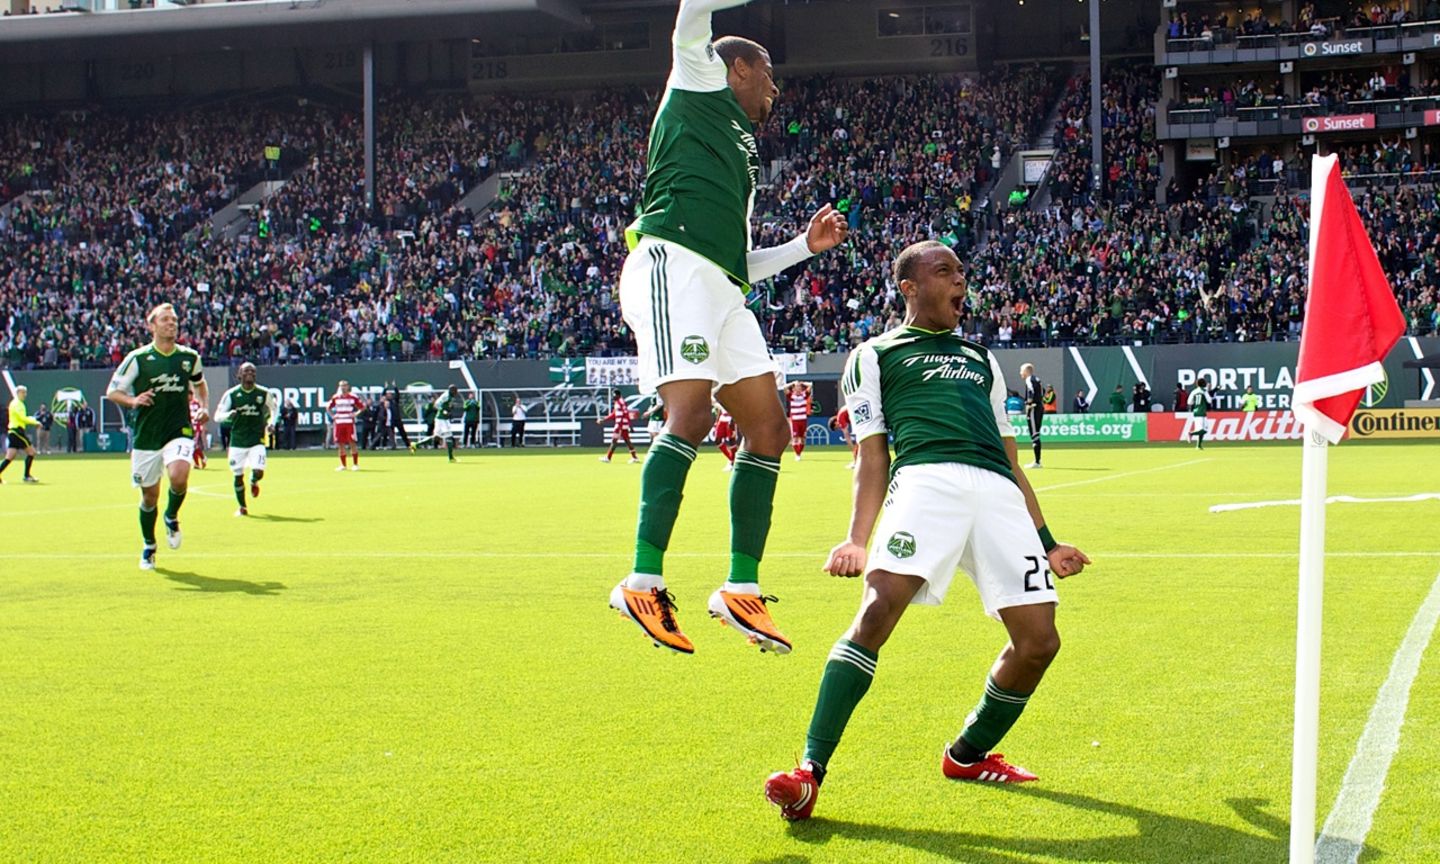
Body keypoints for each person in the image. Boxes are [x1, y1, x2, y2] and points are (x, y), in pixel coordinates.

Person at [763, 240, 1090, 821]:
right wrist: (857, 538)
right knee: (877, 609)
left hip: (997, 493)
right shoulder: (875, 353)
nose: (960, 281)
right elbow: (872, 453)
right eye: (945, 272)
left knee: (1040, 641)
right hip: (925, 482)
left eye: (962, 272)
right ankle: (809, 772)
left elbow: (1012, 459)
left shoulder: (982, 358)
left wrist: (1048, 542)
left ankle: (967, 754)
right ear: (909, 287)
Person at [609, 0, 848, 656]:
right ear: (736, 67)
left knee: (768, 429)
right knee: (686, 414)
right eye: (767, 72)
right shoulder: (696, 78)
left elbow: (741, 261)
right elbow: (691, 16)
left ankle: (740, 588)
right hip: (673, 266)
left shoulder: (741, 153)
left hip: (722, 285)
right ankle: (641, 580)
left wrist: (804, 245)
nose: (775, 87)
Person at [105, 303, 209, 570]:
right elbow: (113, 392)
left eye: (174, 320)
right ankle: (149, 545)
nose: (171, 324)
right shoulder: (138, 358)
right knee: (149, 496)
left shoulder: (188, 357)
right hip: (146, 435)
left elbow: (199, 384)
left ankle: (172, 516)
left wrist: (203, 407)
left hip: (178, 430)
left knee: (179, 475)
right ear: (151, 325)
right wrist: (134, 400)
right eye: (165, 320)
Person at [214, 362, 278, 517]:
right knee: (237, 475)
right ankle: (242, 507)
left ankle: (254, 480)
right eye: (246, 371)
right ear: (239, 375)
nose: (250, 373)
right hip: (237, 441)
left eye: (253, 371)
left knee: (259, 470)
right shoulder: (232, 394)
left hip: (257, 439)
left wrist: (271, 423)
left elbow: (274, 408)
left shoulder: (263, 393)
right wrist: (228, 415)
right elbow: (217, 416)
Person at [1, 385, 42, 484]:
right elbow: (22, 418)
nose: (25, 395)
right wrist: (35, 422)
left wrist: (32, 419)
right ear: (18, 393)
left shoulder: (16, 403)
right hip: (17, 431)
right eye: (23, 392)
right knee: (31, 452)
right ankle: (26, 476)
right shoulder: (17, 404)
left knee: (10, 457)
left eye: (25, 392)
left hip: (13, 432)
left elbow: (22, 417)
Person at [411, 385, 461, 462]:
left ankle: (415, 444)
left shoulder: (450, 396)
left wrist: (449, 408)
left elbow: (446, 405)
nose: (456, 392)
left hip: (440, 419)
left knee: (436, 437)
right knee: (449, 437)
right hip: (442, 419)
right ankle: (451, 458)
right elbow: (437, 404)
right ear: (451, 390)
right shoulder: (446, 395)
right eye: (455, 390)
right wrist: (444, 411)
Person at [327, 380, 366, 471]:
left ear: (348, 387)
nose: (343, 387)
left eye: (344, 386)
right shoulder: (336, 397)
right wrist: (333, 416)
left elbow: (362, 407)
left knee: (352, 442)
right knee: (340, 443)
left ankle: (355, 464)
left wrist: (355, 414)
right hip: (339, 423)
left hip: (349, 422)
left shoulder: (353, 397)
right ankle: (343, 465)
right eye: (341, 386)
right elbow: (328, 407)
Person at [597, 391, 640, 464]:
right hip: (622, 424)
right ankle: (634, 457)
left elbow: (626, 414)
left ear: (618, 395)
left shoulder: (621, 402)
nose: (613, 397)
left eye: (614, 395)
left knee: (614, 441)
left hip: (620, 424)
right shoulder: (617, 403)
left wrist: (629, 425)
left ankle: (608, 458)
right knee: (627, 441)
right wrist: (604, 419)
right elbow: (614, 414)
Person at [1019, 362, 1044, 469]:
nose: (1020, 373)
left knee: (1034, 434)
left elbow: (1031, 392)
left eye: (1021, 371)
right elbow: (1041, 392)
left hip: (1034, 408)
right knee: (1036, 433)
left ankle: (1037, 462)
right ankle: (1037, 461)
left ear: (1025, 371)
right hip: (1039, 407)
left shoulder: (1029, 380)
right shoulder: (1037, 379)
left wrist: (1029, 404)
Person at [785, 381, 814, 461]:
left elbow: (811, 385)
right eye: (796, 387)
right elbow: (784, 388)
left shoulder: (804, 395)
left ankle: (799, 453)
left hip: (803, 419)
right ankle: (797, 454)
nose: (798, 388)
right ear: (793, 388)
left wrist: (802, 383)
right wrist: (792, 383)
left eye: (799, 387)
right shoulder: (791, 396)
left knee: (802, 438)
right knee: (795, 438)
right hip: (795, 420)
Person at [382, 382, 414, 450]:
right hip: (391, 420)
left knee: (403, 433)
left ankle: (408, 445)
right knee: (391, 434)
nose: (389, 395)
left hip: (398, 419)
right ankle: (391, 446)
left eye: (390, 394)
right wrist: (385, 388)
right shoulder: (386, 402)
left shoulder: (394, 401)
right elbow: (382, 395)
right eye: (388, 394)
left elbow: (397, 394)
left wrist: (395, 387)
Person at [1187, 377, 1212, 449]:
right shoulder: (1204, 391)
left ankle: (1198, 445)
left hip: (1195, 411)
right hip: (1202, 411)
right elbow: (1209, 401)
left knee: (1199, 429)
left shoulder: (1194, 391)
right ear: (1203, 384)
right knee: (1204, 430)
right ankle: (1190, 433)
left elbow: (1189, 402)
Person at [712, 401, 738, 471]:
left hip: (730, 418)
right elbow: (720, 409)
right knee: (717, 440)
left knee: (731, 440)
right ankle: (731, 459)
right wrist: (717, 421)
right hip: (722, 418)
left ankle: (733, 463)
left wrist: (733, 421)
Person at [829, 404, 856, 469]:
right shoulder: (842, 415)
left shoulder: (840, 419)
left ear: (835, 423)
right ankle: (856, 461)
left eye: (837, 428)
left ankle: (856, 462)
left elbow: (846, 434)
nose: (839, 428)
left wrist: (852, 449)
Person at [189, 395, 209, 469]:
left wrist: (203, 425)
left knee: (194, 445)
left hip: (195, 427)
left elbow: (200, 415)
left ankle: (203, 458)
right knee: (190, 446)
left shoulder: (195, 403)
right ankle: (197, 463)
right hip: (188, 428)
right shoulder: (185, 403)